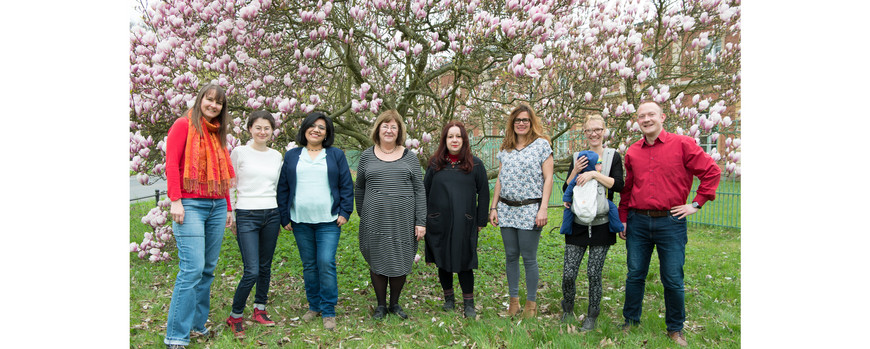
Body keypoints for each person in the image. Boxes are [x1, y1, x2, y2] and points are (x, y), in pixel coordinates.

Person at [618, 101, 721, 347]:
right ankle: (631, 321)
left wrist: (695, 204)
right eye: (641, 116)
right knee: (634, 275)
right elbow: (629, 188)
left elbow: (712, 171)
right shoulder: (633, 151)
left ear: (662, 117)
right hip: (638, 222)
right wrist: (623, 218)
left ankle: (675, 329)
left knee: (673, 278)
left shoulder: (683, 145)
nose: (646, 119)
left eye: (651, 114)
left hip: (671, 222)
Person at [164, 83, 235, 348]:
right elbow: (171, 163)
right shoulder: (183, 125)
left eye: (218, 103)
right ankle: (175, 335)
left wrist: (227, 207)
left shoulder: (218, 133)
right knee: (191, 269)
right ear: (200, 99)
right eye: (209, 99)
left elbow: (222, 173)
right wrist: (176, 201)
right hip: (190, 204)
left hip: (217, 205)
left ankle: (196, 323)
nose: (213, 105)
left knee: (207, 269)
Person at [276, 111, 354, 330]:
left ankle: (329, 310)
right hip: (300, 221)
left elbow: (347, 185)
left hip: (329, 221)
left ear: (327, 133)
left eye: (322, 127)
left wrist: (345, 212)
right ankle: (314, 306)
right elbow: (283, 187)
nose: (316, 130)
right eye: (313, 126)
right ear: (305, 129)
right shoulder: (292, 155)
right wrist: (285, 216)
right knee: (310, 266)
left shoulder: (335, 155)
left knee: (325, 263)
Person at [355, 110, 426, 320]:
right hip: (374, 220)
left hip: (403, 221)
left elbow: (419, 190)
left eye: (393, 126)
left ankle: (394, 303)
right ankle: (380, 306)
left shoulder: (410, 157)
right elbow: (359, 187)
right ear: (378, 129)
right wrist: (364, 212)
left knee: (401, 260)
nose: (389, 130)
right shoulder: (367, 156)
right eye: (385, 126)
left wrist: (420, 221)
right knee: (377, 258)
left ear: (399, 131)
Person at [557, 115, 624, 331]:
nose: (594, 134)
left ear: (604, 131)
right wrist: (576, 170)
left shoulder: (613, 156)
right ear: (584, 133)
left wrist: (594, 173)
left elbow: (618, 185)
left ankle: (592, 315)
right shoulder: (578, 156)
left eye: (598, 129)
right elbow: (565, 188)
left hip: (602, 224)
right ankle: (567, 308)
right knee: (569, 273)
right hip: (577, 223)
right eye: (589, 130)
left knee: (594, 273)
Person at [488, 104, 554, 318]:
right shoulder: (505, 148)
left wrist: (543, 208)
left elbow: (549, 178)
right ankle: (513, 303)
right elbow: (500, 179)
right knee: (510, 256)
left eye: (525, 120)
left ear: (531, 122)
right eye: (518, 120)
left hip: (530, 209)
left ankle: (531, 305)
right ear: (512, 124)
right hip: (507, 209)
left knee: (529, 257)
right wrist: (494, 206)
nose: (522, 123)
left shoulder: (541, 145)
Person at [224, 111, 283, 338]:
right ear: (250, 129)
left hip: (271, 213)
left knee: (265, 267)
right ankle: (235, 315)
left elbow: (277, 187)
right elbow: (229, 184)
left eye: (266, 128)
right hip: (246, 213)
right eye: (258, 127)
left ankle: (260, 309)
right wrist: (231, 211)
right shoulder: (239, 152)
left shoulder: (276, 155)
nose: (262, 132)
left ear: (272, 131)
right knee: (251, 270)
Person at [423, 121, 489, 319]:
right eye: (450, 136)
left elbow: (484, 194)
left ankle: (469, 303)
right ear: (445, 140)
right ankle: (449, 299)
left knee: (464, 260)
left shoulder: (475, 164)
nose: (454, 140)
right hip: (438, 221)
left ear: (464, 140)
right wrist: (423, 219)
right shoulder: (435, 163)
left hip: (465, 221)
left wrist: (480, 220)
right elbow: (424, 192)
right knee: (442, 260)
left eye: (458, 136)